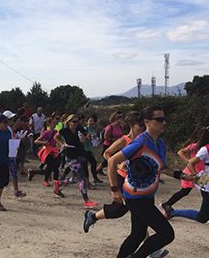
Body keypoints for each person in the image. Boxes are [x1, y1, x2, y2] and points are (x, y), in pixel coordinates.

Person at [107, 106, 190, 258]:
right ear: (147, 122)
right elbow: (112, 161)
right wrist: (114, 189)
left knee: (137, 234)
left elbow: (163, 167)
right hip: (135, 197)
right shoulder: (140, 142)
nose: (164, 122)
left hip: (147, 196)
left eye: (164, 119)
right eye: (159, 119)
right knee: (166, 234)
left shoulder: (160, 143)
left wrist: (182, 176)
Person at [166, 126, 209, 223]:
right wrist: (196, 175)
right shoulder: (205, 149)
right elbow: (190, 163)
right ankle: (173, 212)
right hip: (207, 184)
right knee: (201, 218)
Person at [55, 114, 98, 208]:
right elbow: (56, 137)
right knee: (81, 177)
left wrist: (84, 138)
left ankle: (58, 183)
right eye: (74, 121)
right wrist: (62, 144)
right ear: (69, 122)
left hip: (80, 154)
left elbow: (85, 137)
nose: (76, 123)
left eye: (77, 121)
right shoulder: (64, 131)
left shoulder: (80, 129)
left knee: (75, 179)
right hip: (70, 155)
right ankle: (86, 201)